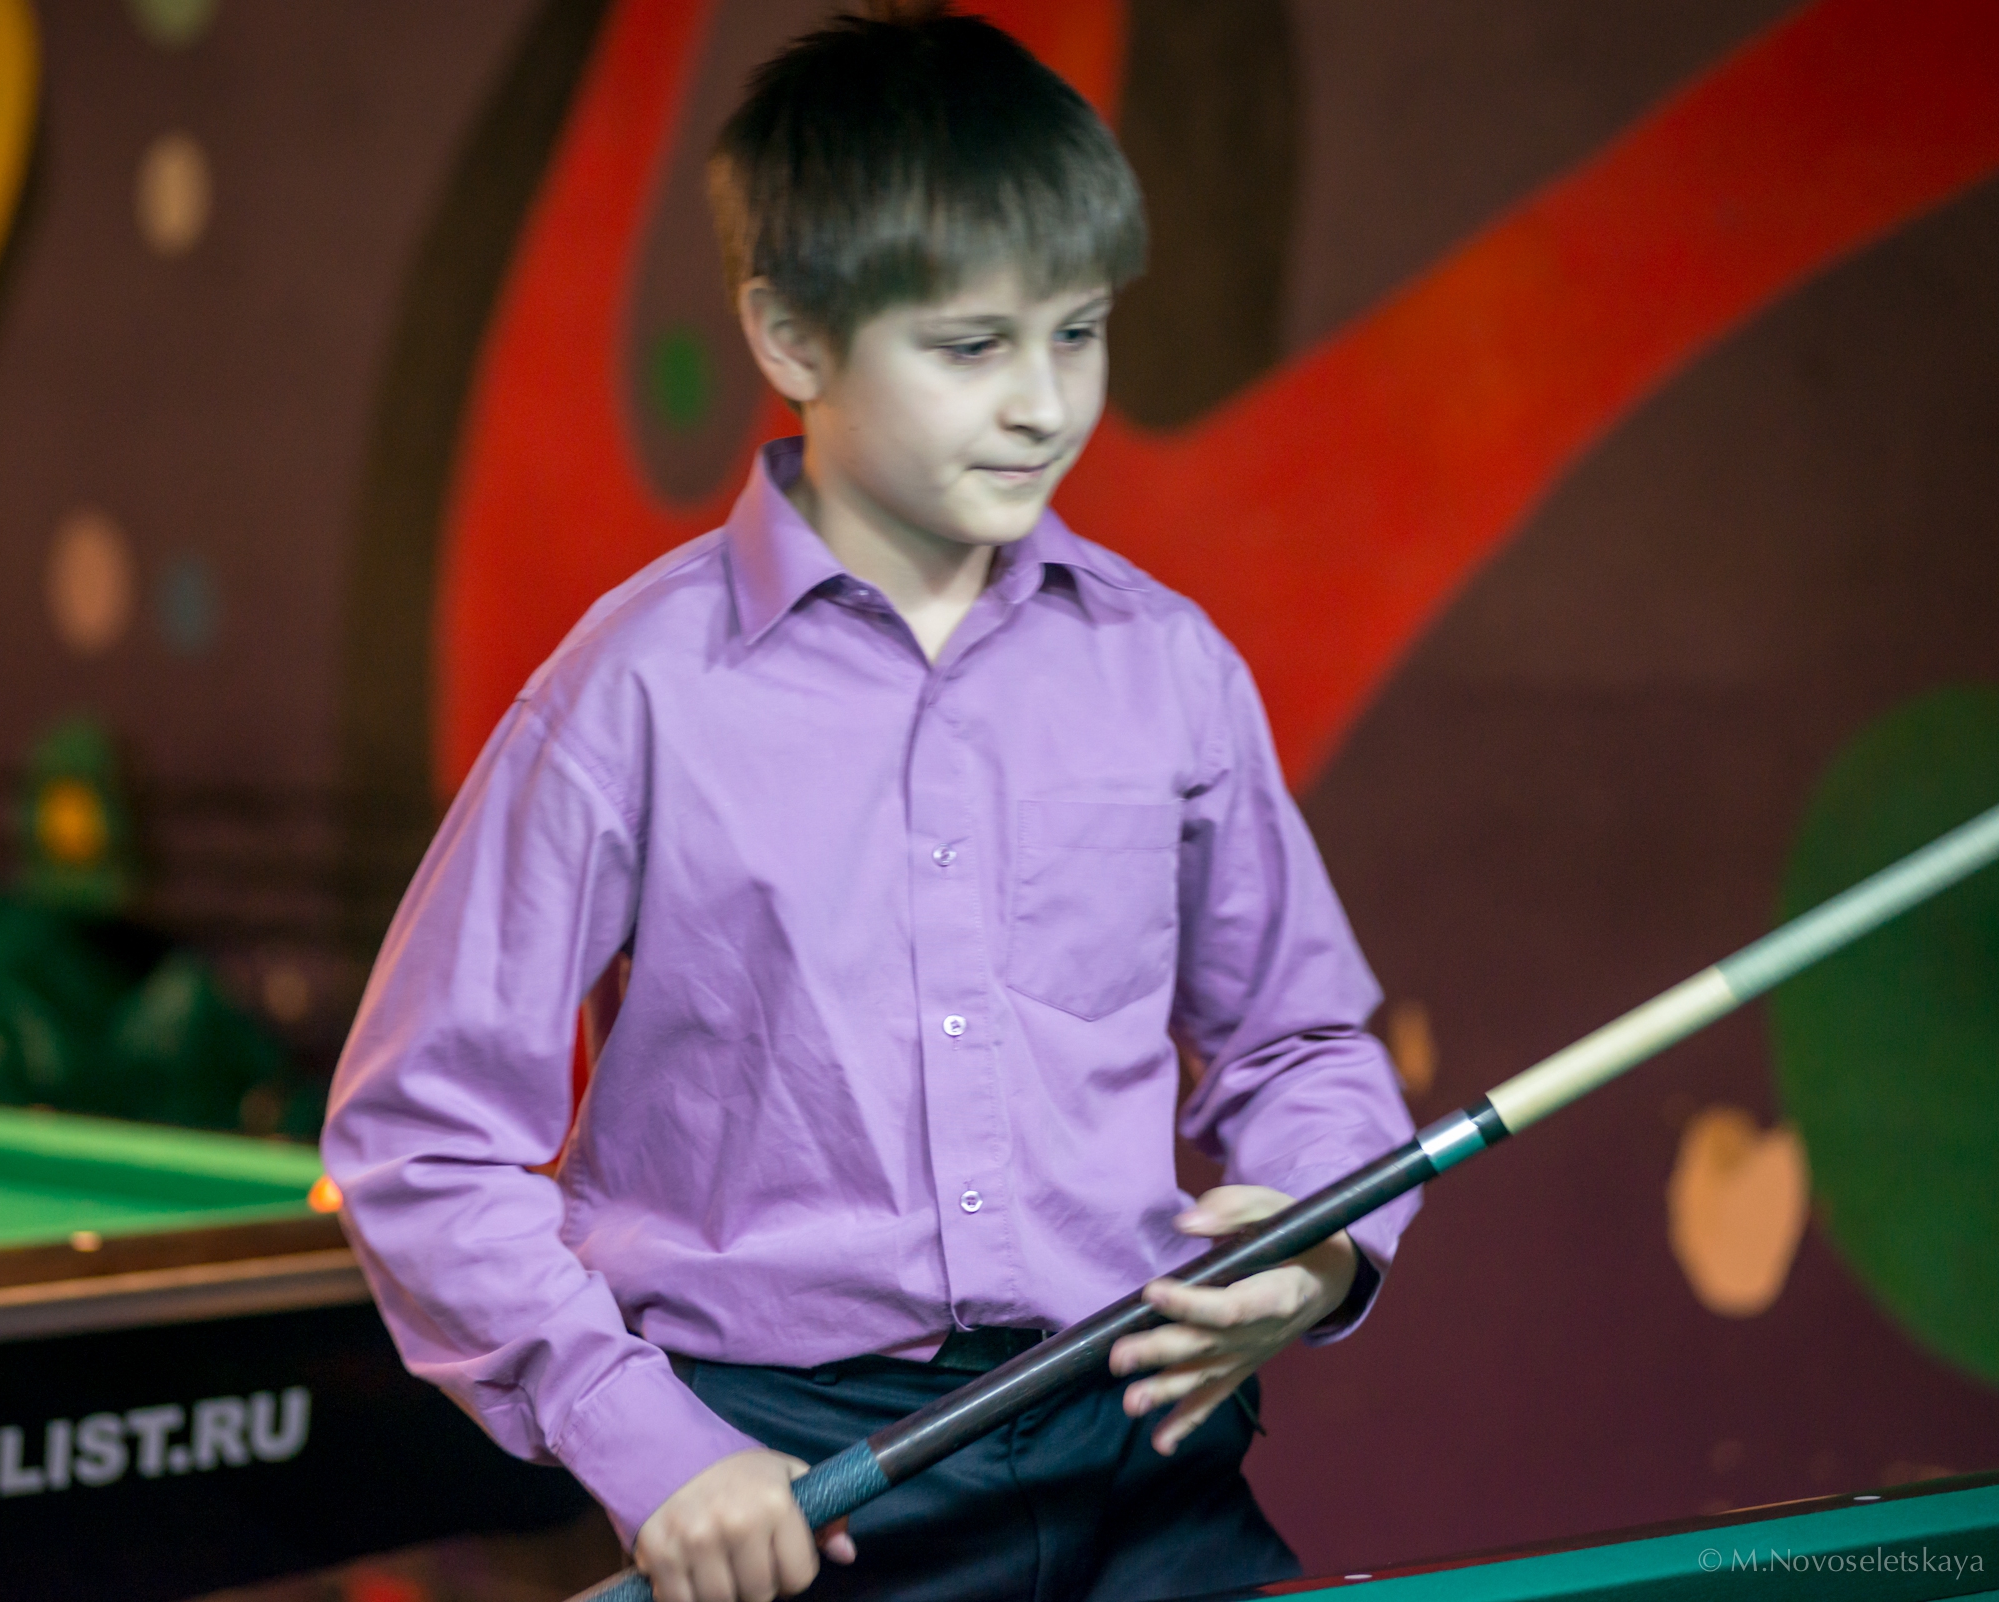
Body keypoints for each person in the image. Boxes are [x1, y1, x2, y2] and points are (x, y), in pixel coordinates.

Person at [323, 10, 1419, 1601]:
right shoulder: (634, 689)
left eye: (1079, 332)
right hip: (784, 1469)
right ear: (791, 338)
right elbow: (421, 1139)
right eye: (973, 347)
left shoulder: (1169, 665)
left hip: (1138, 1436)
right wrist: (645, 1436)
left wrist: (1322, 1247)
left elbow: (1304, 1042)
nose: (1044, 403)